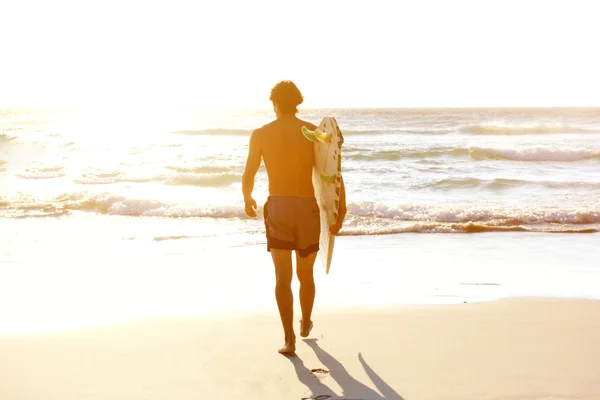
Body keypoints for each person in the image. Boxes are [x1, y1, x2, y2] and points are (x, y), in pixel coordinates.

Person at [242, 80, 347, 354]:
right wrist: (340, 208)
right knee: (306, 275)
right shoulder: (313, 132)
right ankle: (306, 321)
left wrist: (247, 197)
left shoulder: (261, 134)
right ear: (297, 102)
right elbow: (333, 170)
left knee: (282, 278)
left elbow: (249, 172)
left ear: (274, 104)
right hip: (306, 209)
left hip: (278, 208)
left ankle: (288, 339)